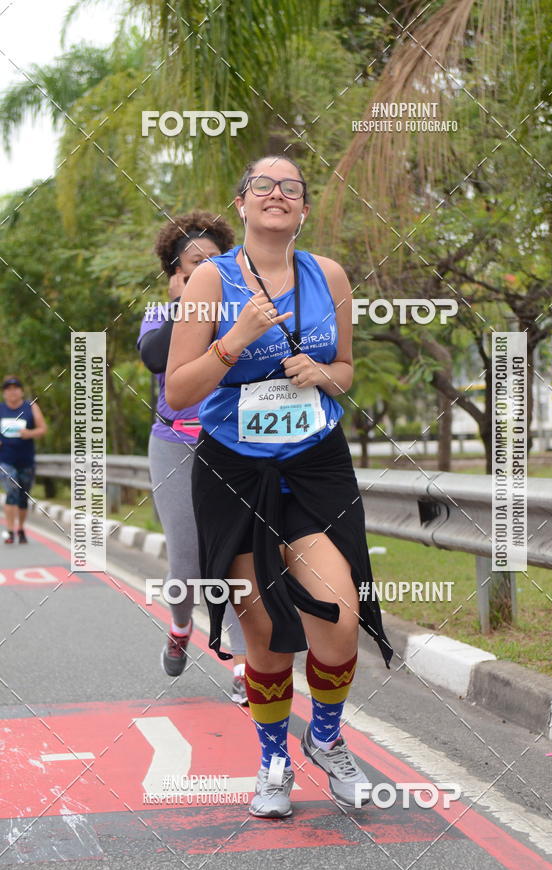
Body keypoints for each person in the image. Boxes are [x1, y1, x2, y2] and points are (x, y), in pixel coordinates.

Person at [166, 157, 393, 819]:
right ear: (241, 204)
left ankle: (325, 739)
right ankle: (273, 761)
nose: (277, 194)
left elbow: (347, 369)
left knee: (339, 618)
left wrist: (321, 374)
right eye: (263, 186)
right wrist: (237, 337)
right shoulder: (211, 278)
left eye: (291, 187)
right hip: (234, 470)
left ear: (303, 209)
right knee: (263, 637)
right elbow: (179, 388)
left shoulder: (330, 276)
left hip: (314, 463)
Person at [138, 211, 248, 705]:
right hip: (175, 445)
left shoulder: (241, 308)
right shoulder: (163, 315)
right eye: (194, 262)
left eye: (216, 260)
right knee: (187, 562)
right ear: (175, 273)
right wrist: (184, 302)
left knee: (242, 559)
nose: (208, 268)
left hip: (235, 444)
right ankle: (180, 627)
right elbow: (156, 357)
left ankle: (248, 666)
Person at [0, 376, 47, 544]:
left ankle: (20, 529)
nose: (12, 391)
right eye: (8, 389)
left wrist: (30, 433)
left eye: (15, 388)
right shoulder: (1, 409)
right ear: (4, 393)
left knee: (22, 497)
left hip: (26, 460)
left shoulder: (30, 407)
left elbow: (42, 429)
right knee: (11, 490)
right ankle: (10, 531)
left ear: (21, 391)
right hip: (5, 460)